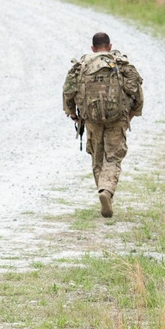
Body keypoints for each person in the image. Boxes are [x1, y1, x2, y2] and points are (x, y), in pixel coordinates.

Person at [62, 33, 144, 220]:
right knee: (113, 157)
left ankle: (102, 189)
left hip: (91, 119)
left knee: (97, 156)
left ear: (92, 48)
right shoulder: (120, 63)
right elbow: (137, 91)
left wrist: (73, 113)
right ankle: (107, 191)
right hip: (117, 118)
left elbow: (68, 91)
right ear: (109, 46)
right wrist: (131, 114)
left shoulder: (81, 65)